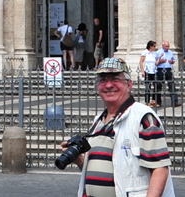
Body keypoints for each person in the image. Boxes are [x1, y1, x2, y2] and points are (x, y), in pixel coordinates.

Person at [62, 57, 175, 197]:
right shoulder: (98, 122)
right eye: (103, 80)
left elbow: (160, 168)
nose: (108, 85)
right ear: (98, 87)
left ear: (129, 85)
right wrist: (79, 160)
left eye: (115, 79)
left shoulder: (143, 117)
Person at [155, 40, 178, 107]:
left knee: (172, 85)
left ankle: (174, 101)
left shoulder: (170, 52)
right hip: (160, 70)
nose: (168, 47)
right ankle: (158, 102)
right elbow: (156, 63)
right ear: (163, 46)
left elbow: (173, 60)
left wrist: (172, 62)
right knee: (158, 86)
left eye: (168, 46)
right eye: (166, 46)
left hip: (168, 69)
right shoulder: (158, 52)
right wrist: (160, 61)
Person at [139, 39, 160, 107]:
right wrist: (142, 71)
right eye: (154, 46)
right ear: (150, 46)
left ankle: (154, 100)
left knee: (156, 86)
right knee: (148, 87)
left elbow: (156, 62)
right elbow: (141, 62)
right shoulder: (145, 52)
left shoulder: (154, 53)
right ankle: (147, 101)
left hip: (154, 71)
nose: (155, 47)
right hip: (147, 71)